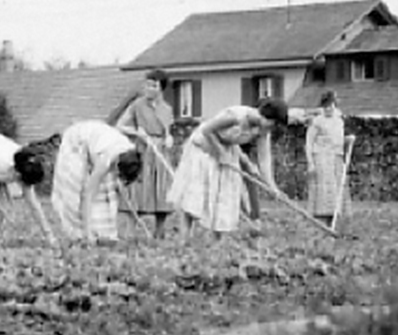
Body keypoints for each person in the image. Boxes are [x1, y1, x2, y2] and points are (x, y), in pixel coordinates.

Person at [167, 98, 290, 241]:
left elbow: (264, 159)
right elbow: (207, 130)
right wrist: (220, 152)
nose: (271, 129)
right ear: (265, 116)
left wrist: (272, 186)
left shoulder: (263, 131)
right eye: (273, 124)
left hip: (227, 151)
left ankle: (216, 241)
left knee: (223, 198)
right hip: (203, 149)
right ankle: (184, 240)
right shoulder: (235, 116)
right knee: (195, 197)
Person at [51, 120, 143, 245]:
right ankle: (81, 234)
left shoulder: (130, 152)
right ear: (117, 165)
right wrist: (88, 234)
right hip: (76, 143)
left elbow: (120, 184)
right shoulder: (104, 160)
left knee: (107, 190)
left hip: (97, 141)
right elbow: (88, 195)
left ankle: (104, 232)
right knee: (81, 190)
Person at [115, 68, 175, 238]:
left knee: (163, 190)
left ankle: (159, 232)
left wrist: (169, 138)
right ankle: (130, 233)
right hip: (142, 150)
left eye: (153, 86)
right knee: (138, 190)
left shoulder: (166, 109)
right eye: (147, 85)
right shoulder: (137, 105)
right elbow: (120, 125)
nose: (149, 89)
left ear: (161, 88)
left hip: (161, 152)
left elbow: (167, 131)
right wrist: (137, 133)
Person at [305, 90, 353, 227]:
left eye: (331, 106)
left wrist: (347, 140)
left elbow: (336, 140)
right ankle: (322, 221)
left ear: (335, 105)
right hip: (321, 158)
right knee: (324, 190)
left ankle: (336, 220)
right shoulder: (317, 121)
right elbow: (309, 143)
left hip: (336, 158)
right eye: (325, 106)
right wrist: (310, 163)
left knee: (337, 189)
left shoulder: (339, 120)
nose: (328, 109)